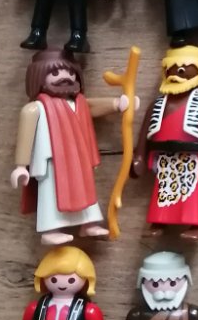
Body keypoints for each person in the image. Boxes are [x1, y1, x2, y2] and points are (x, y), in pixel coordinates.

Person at [12, 50, 128, 244]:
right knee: (51, 194)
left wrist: (117, 104)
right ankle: (50, 230)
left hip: (78, 158)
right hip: (52, 161)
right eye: (55, 73)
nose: (65, 77)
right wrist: (21, 166)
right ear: (38, 77)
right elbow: (26, 134)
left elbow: (92, 107)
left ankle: (88, 224)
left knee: (85, 189)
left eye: (71, 73)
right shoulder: (37, 108)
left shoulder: (79, 103)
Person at [132, 45, 198, 240]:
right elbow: (144, 134)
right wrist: (139, 156)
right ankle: (159, 221)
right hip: (164, 157)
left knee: (194, 191)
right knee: (163, 188)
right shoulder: (157, 105)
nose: (175, 75)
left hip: (193, 157)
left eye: (182, 70)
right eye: (171, 70)